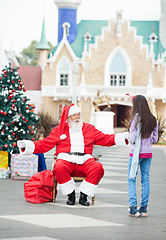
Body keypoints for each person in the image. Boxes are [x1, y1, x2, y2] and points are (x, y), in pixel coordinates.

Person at [17, 104, 128, 206]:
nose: (77, 117)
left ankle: (84, 195)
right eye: (74, 115)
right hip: (66, 158)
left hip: (85, 159)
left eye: (78, 114)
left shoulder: (89, 129)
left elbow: (106, 139)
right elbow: (45, 144)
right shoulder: (59, 130)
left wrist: (123, 137)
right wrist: (27, 145)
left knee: (97, 167)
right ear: (68, 117)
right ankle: (70, 194)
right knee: (59, 166)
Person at [127, 95, 158, 217]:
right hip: (148, 153)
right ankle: (144, 208)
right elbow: (155, 138)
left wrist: (129, 136)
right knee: (145, 179)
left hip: (136, 153)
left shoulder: (136, 118)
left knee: (131, 179)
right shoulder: (153, 119)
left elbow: (133, 138)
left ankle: (133, 208)